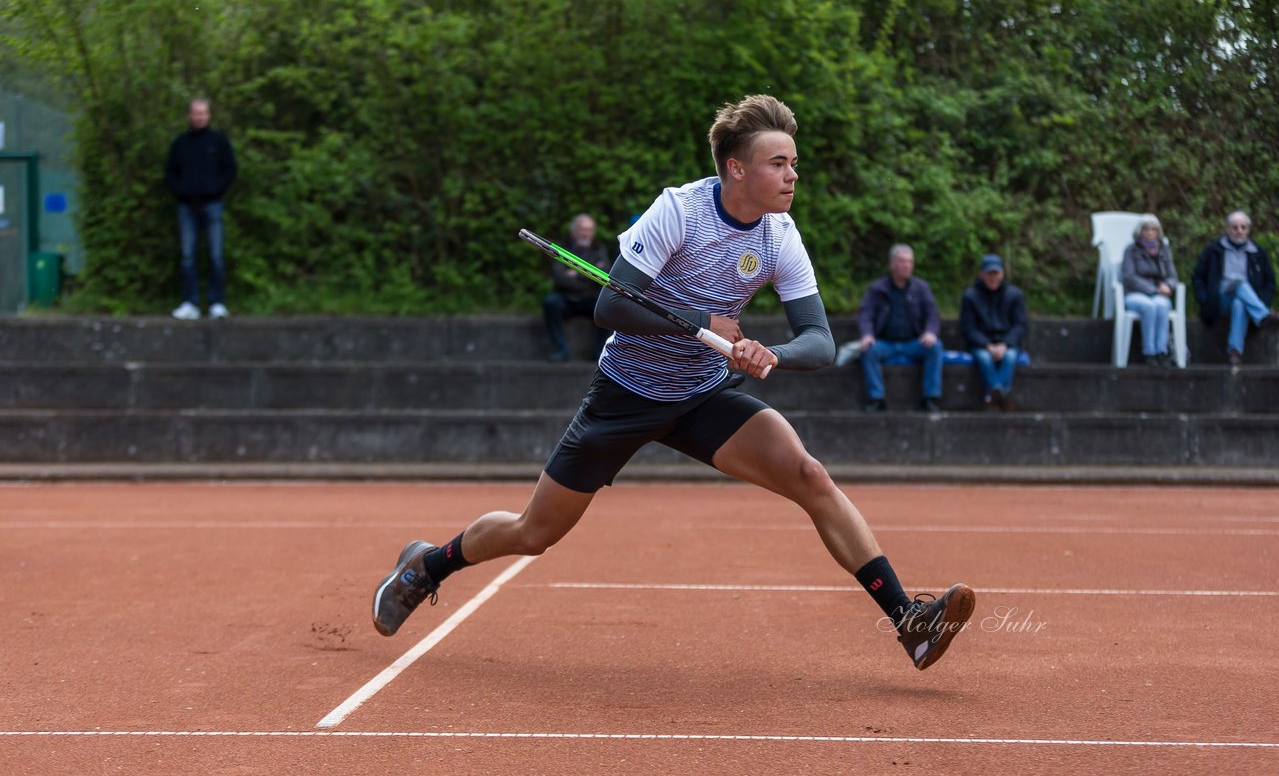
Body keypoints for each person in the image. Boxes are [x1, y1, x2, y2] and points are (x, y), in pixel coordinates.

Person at [373, 95, 975, 671]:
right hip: (627, 393)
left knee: (809, 475)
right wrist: (700, 323)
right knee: (535, 533)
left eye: (794, 162)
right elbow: (609, 307)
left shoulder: (779, 235)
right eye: (779, 163)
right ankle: (426, 567)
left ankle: (909, 623)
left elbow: (819, 339)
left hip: (703, 396)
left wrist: (773, 354)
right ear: (737, 168)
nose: (794, 175)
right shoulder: (679, 211)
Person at [165, 98, 237, 320]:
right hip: (186, 206)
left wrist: (216, 191)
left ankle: (217, 303)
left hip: (213, 204)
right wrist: (182, 192)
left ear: (209, 115)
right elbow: (170, 172)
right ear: (189, 116)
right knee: (188, 256)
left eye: (203, 113)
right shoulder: (180, 143)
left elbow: (230, 169)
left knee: (215, 255)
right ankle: (190, 303)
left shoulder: (218, 141)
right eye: (196, 113)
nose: (200, 117)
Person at [856, 245, 945, 413]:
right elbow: (865, 315)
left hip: (914, 343)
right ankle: (876, 398)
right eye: (903, 261)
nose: (907, 265)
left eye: (910, 262)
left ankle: (930, 398)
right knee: (868, 351)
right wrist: (867, 335)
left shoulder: (921, 288)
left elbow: (932, 314)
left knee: (935, 347)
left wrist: (930, 332)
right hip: (885, 343)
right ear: (892, 264)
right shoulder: (878, 289)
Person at [1191, 211, 1279, 365]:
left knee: (1239, 302)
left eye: (1243, 227)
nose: (1239, 231)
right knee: (1240, 284)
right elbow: (1197, 277)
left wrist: (1264, 300)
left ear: (1248, 230)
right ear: (1227, 229)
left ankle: (1235, 351)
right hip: (1220, 300)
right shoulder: (1213, 250)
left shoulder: (1258, 253)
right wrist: (1204, 300)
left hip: (1246, 301)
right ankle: (1263, 315)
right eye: (1235, 227)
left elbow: (1270, 282)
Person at [960, 254, 1027, 410]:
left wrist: (1006, 344)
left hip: (1008, 343)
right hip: (981, 344)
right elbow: (968, 328)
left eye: (996, 274)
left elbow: (1020, 325)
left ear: (1002, 274)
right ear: (981, 274)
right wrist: (987, 345)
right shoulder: (970, 296)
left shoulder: (1015, 295)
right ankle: (1003, 395)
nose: (993, 278)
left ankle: (993, 396)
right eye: (989, 274)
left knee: (1009, 357)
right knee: (984, 358)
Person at [543, 213, 611, 361]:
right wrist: (589, 274)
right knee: (550, 303)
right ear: (574, 231)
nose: (586, 234)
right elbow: (560, 278)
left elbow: (605, 277)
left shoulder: (599, 249)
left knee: (612, 306)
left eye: (589, 230)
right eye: (582, 229)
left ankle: (600, 352)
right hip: (566, 298)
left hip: (590, 299)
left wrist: (575, 274)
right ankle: (562, 349)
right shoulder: (561, 248)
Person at [1120, 215, 1179, 366]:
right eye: (1146, 229)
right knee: (1149, 307)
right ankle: (1149, 352)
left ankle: (1162, 351)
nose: (1150, 232)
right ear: (1140, 231)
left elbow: (1173, 276)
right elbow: (1128, 277)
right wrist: (1152, 289)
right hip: (1135, 294)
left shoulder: (1164, 250)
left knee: (1162, 306)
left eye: (1153, 229)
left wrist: (1169, 286)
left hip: (1159, 294)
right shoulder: (1131, 250)